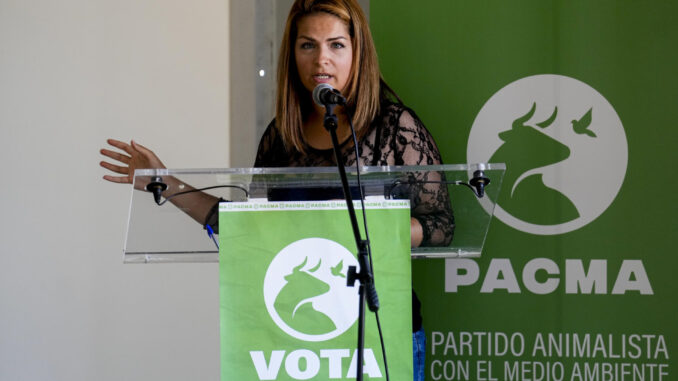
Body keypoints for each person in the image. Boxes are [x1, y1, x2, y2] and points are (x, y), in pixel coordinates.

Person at [100, 1, 453, 379]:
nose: (321, 60)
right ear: (292, 54)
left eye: (336, 45)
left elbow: (440, 226)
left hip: (382, 332)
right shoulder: (281, 137)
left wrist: (375, 230)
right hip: (293, 342)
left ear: (357, 52)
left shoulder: (396, 127)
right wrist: (165, 182)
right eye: (307, 46)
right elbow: (252, 229)